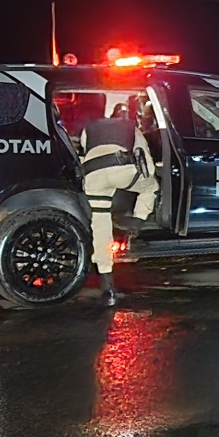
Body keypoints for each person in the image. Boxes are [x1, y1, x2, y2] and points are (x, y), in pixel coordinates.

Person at [80, 103, 158, 305]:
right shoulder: (131, 128)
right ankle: (136, 223)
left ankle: (107, 283)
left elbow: (84, 149)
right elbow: (144, 158)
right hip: (121, 167)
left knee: (100, 223)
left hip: (93, 174)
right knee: (150, 188)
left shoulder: (90, 128)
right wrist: (149, 176)